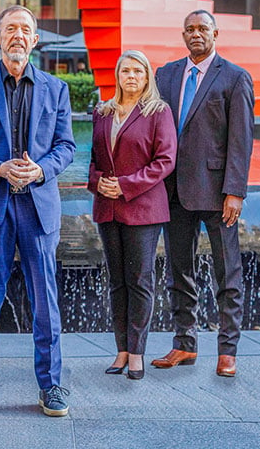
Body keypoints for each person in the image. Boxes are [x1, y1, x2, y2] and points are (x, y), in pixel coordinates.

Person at [0, 5, 75, 417]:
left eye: (26, 29)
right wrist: (0, 168)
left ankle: (51, 385)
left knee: (46, 301)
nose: (18, 35)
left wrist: (40, 170)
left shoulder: (57, 89)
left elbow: (67, 147)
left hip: (39, 208)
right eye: (10, 29)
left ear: (35, 39)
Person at [151, 10, 254, 377]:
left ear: (215, 33)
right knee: (179, 271)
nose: (196, 34)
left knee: (228, 274)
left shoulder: (235, 77)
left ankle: (228, 351)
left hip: (217, 193)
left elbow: (241, 141)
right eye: (190, 29)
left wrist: (235, 192)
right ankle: (184, 344)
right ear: (183, 35)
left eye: (203, 29)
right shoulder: (165, 75)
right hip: (173, 191)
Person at [88, 50, 176, 380]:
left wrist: (125, 185)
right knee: (117, 282)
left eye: (138, 71)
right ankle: (121, 350)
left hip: (143, 208)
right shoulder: (102, 111)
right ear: (117, 75)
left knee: (139, 281)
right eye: (126, 71)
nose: (132, 76)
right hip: (108, 207)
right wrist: (100, 183)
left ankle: (137, 352)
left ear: (147, 76)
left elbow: (165, 161)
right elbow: (93, 162)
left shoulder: (158, 112)